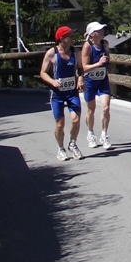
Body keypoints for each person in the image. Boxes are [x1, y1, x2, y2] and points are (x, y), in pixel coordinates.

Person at [40, 25, 85, 161]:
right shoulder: (51, 53)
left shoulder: (76, 52)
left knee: (76, 119)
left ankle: (73, 144)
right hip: (57, 94)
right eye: (70, 36)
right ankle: (60, 148)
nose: (72, 38)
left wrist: (80, 80)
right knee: (60, 124)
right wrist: (52, 82)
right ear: (62, 39)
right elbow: (42, 73)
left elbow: (81, 69)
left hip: (72, 92)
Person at [81, 21, 112, 149]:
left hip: (103, 80)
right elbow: (84, 67)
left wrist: (108, 65)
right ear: (93, 34)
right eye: (99, 30)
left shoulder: (105, 44)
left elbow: (108, 58)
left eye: (102, 29)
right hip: (90, 82)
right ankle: (90, 134)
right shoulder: (87, 46)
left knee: (105, 108)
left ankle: (104, 134)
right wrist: (98, 64)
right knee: (91, 109)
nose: (102, 32)